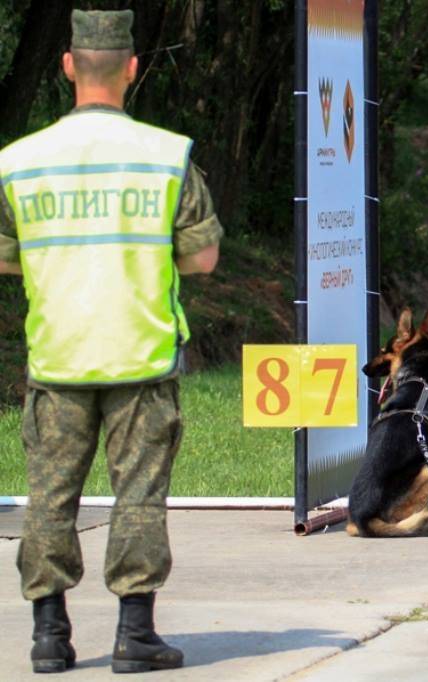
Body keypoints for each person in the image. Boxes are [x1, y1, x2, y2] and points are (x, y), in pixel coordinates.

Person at [0, 9, 222, 674]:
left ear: (67, 66)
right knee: (139, 495)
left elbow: (7, 257)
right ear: (131, 69)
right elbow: (203, 260)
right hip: (140, 353)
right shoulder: (165, 155)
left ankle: (48, 636)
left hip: (58, 353)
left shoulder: (19, 160)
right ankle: (134, 634)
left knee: (49, 493)